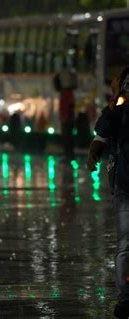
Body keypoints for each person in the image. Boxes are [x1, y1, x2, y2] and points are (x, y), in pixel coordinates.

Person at [87, 66, 129, 318]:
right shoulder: (118, 114)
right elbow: (100, 133)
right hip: (124, 185)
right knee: (125, 244)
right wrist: (114, 103)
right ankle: (125, 298)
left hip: (123, 185)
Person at [54, 59, 78, 160]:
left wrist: (65, 117)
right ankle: (69, 155)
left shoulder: (65, 93)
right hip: (68, 118)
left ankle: (68, 155)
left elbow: (67, 107)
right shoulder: (69, 93)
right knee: (68, 137)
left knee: (67, 138)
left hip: (67, 118)